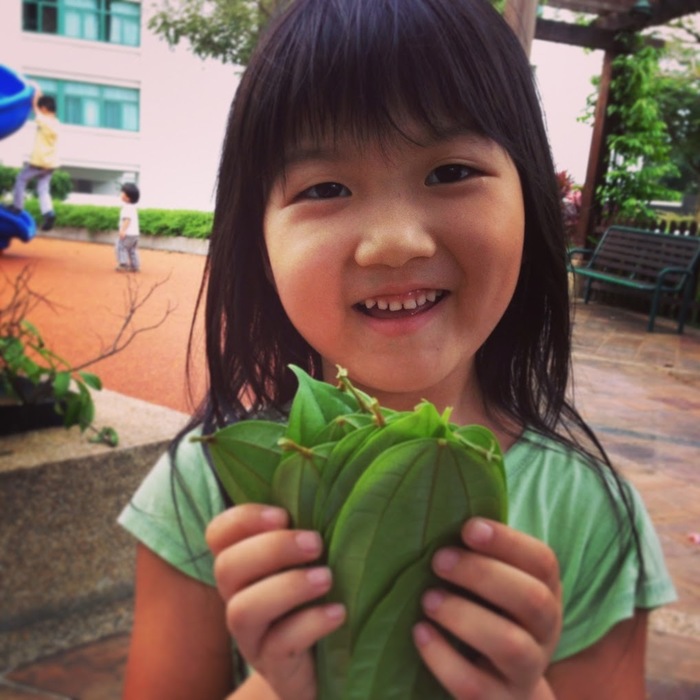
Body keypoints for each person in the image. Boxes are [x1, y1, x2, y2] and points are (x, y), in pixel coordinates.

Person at [118, 0, 677, 697]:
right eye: (325, 187)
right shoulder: (207, 492)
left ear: (530, 202)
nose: (395, 242)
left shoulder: (590, 515)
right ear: (256, 242)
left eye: (449, 172)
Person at [11, 83, 59, 231]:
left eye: (41, 108)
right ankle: (49, 213)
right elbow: (40, 106)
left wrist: (36, 89)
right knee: (43, 189)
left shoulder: (44, 121)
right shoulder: (55, 122)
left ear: (45, 109)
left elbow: (34, 106)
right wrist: (41, 95)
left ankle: (17, 207)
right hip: (51, 164)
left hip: (40, 162)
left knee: (21, 179)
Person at [115, 182, 140, 272]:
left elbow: (127, 220)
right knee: (132, 250)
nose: (121, 194)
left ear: (127, 197)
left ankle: (123, 264)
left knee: (121, 247)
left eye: (123, 193)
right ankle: (135, 266)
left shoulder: (126, 207)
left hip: (128, 234)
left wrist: (122, 230)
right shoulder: (133, 207)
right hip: (135, 234)